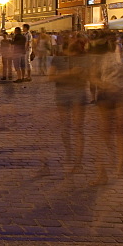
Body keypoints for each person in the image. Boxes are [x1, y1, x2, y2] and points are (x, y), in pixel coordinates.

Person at [91, 39, 123, 184]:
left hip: (122, 93)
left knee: (120, 130)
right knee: (105, 132)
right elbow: (93, 77)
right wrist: (105, 85)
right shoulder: (99, 58)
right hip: (107, 93)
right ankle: (109, 164)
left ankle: (120, 165)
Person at [49, 35, 88, 174]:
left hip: (79, 93)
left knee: (78, 128)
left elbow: (90, 76)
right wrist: (68, 73)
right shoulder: (58, 58)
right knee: (65, 126)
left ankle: (78, 161)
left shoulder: (84, 59)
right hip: (62, 93)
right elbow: (50, 77)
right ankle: (69, 153)